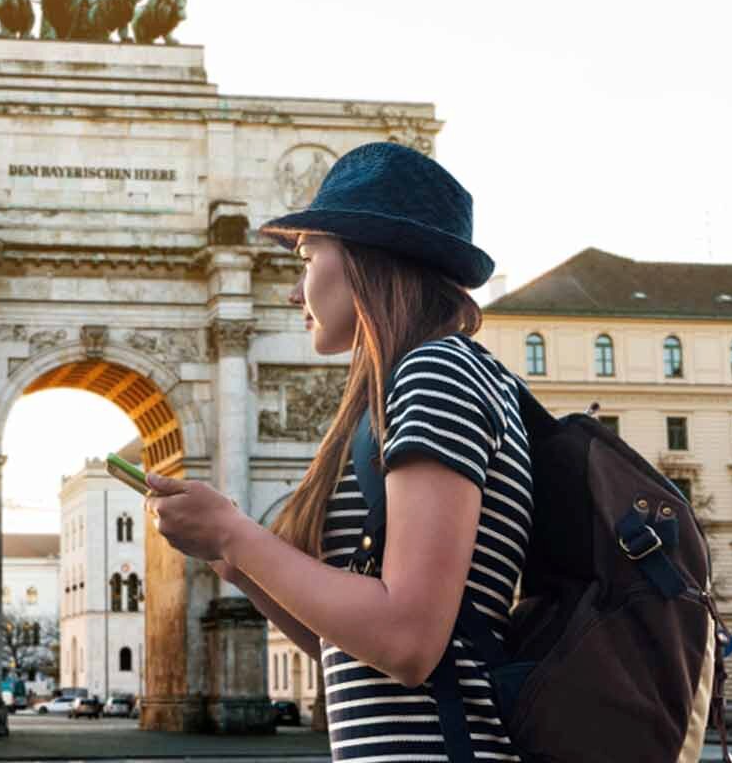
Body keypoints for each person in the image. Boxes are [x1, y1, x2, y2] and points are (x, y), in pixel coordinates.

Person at [146, 142, 530, 761]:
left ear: (364, 259)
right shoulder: (408, 387)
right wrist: (236, 557)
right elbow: (347, 648)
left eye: (306, 256)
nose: (294, 293)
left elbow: (408, 642)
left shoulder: (436, 374)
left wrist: (238, 537)